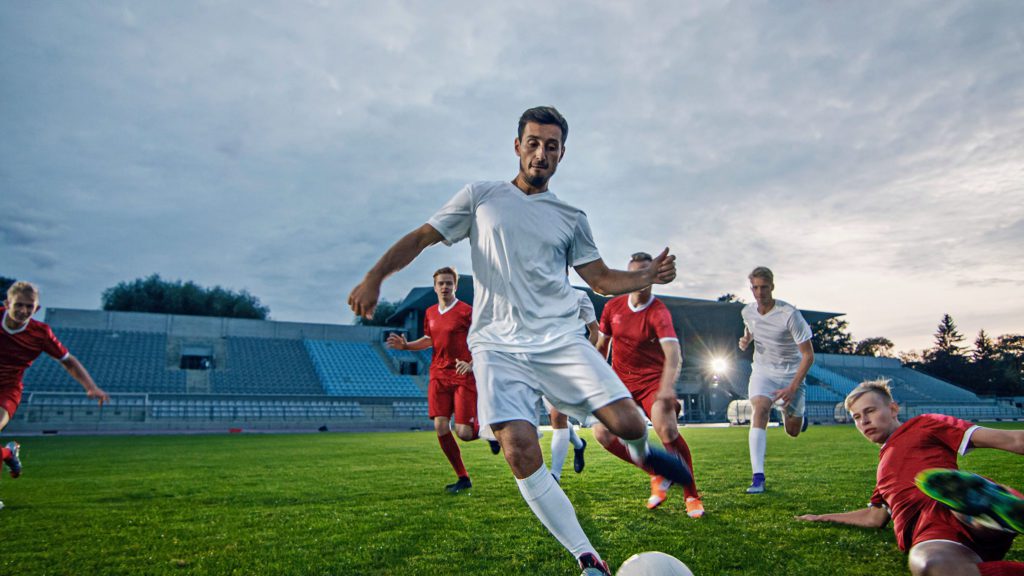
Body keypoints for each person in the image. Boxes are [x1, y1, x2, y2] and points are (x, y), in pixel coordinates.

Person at [348, 106, 692, 576]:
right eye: (533, 142)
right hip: (497, 347)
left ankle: (642, 455)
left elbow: (601, 279)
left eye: (551, 146)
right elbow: (421, 238)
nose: (541, 153)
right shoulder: (481, 197)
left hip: (559, 341)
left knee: (630, 423)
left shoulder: (571, 217)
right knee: (518, 447)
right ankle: (587, 557)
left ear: (562, 154)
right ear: (517, 146)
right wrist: (374, 275)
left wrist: (647, 277)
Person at [797, 380, 1024, 575]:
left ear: (893, 409)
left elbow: (1009, 439)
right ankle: (990, 513)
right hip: (934, 535)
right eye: (856, 417)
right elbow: (874, 517)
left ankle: (986, 508)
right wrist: (822, 517)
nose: (863, 421)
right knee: (931, 565)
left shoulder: (924, 425)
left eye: (870, 411)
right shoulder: (884, 472)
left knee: (959, 507)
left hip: (946, 509)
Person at [592, 252, 703, 518]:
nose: (639, 279)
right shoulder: (612, 307)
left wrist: (666, 388)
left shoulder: (658, 312)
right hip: (620, 382)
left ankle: (692, 495)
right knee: (601, 433)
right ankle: (657, 472)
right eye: (633, 273)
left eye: (645, 272)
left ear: (653, 276)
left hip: (652, 382)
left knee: (666, 428)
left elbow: (674, 354)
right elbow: (601, 347)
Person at [0, 281, 109, 509]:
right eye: (19, 305)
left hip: (7, 390)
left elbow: (68, 361)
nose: (23, 311)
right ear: (7, 303)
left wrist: (91, 386)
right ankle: (7, 453)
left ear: (37, 309)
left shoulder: (40, 334)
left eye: (30, 307)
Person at [386, 267, 479, 494]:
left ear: (455, 286)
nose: (445, 287)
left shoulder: (468, 312)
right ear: (435, 286)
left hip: (462, 373)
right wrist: (406, 346)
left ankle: (488, 432)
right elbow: (429, 339)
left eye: (449, 283)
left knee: (465, 433)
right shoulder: (430, 313)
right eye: (441, 283)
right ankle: (462, 477)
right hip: (438, 374)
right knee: (440, 426)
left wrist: (472, 364)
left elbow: (482, 340)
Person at [737, 266, 814, 494]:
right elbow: (751, 328)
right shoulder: (747, 312)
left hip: (791, 374)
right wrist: (746, 339)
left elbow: (808, 355)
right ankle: (758, 476)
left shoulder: (789, 314)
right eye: (755, 288)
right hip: (763, 371)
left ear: (772, 286)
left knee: (793, 431)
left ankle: (793, 413)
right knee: (759, 409)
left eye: (764, 287)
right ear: (751, 288)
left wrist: (792, 387)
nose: (760, 292)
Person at [546, 289, 596, 483]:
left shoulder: (579, 297)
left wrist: (586, 359)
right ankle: (578, 444)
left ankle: (555, 476)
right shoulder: (535, 294)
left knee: (558, 418)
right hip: (541, 365)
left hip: (568, 365)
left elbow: (594, 331)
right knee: (555, 419)